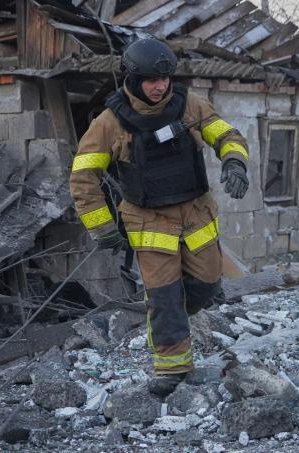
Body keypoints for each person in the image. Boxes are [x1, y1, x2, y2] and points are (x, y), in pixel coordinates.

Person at [69, 38, 249, 395]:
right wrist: (102, 227)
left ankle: (174, 322)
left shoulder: (189, 105)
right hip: (148, 222)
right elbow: (83, 176)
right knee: (164, 297)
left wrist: (234, 161)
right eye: (151, 80)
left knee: (207, 285)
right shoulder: (108, 123)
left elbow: (226, 133)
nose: (160, 86)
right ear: (134, 79)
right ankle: (172, 368)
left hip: (196, 214)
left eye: (165, 79)